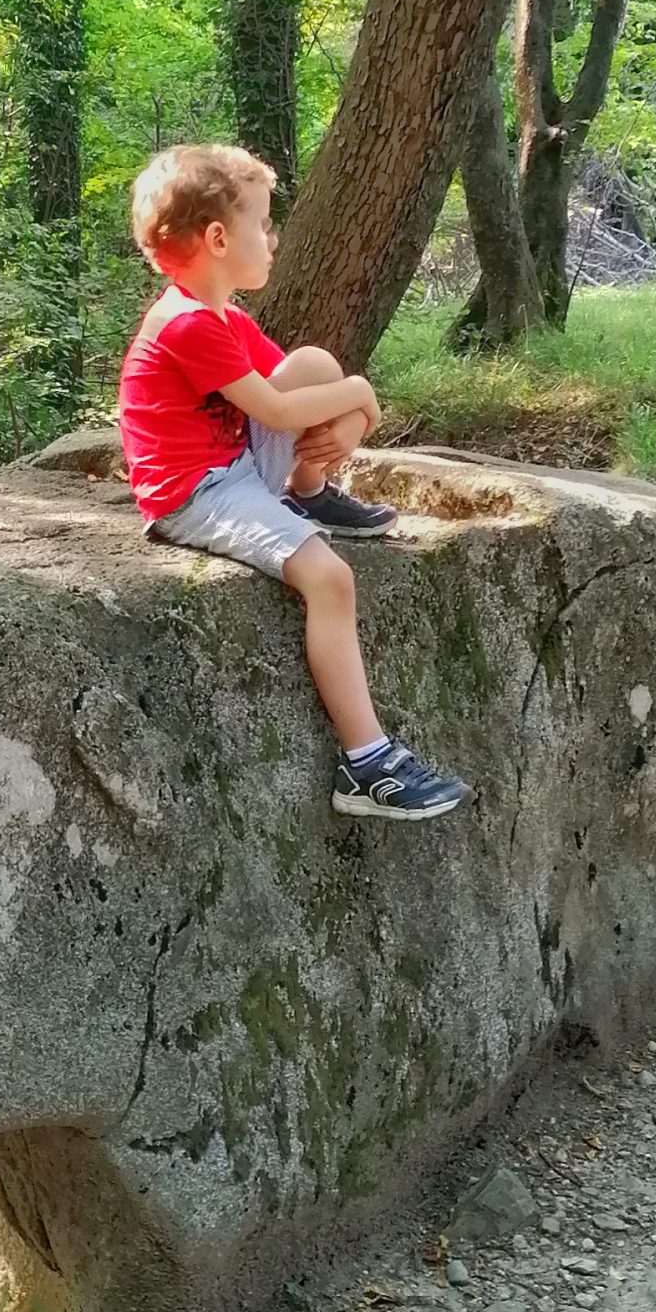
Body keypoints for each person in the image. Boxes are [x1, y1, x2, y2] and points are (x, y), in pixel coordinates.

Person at [115, 142, 471, 822]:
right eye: (263, 225)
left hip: (236, 465)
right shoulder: (185, 324)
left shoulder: (223, 316)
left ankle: (310, 493)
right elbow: (279, 413)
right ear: (218, 238)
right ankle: (367, 763)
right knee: (330, 578)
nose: (273, 240)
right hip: (197, 494)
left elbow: (311, 388)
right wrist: (363, 395)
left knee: (311, 362)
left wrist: (353, 417)